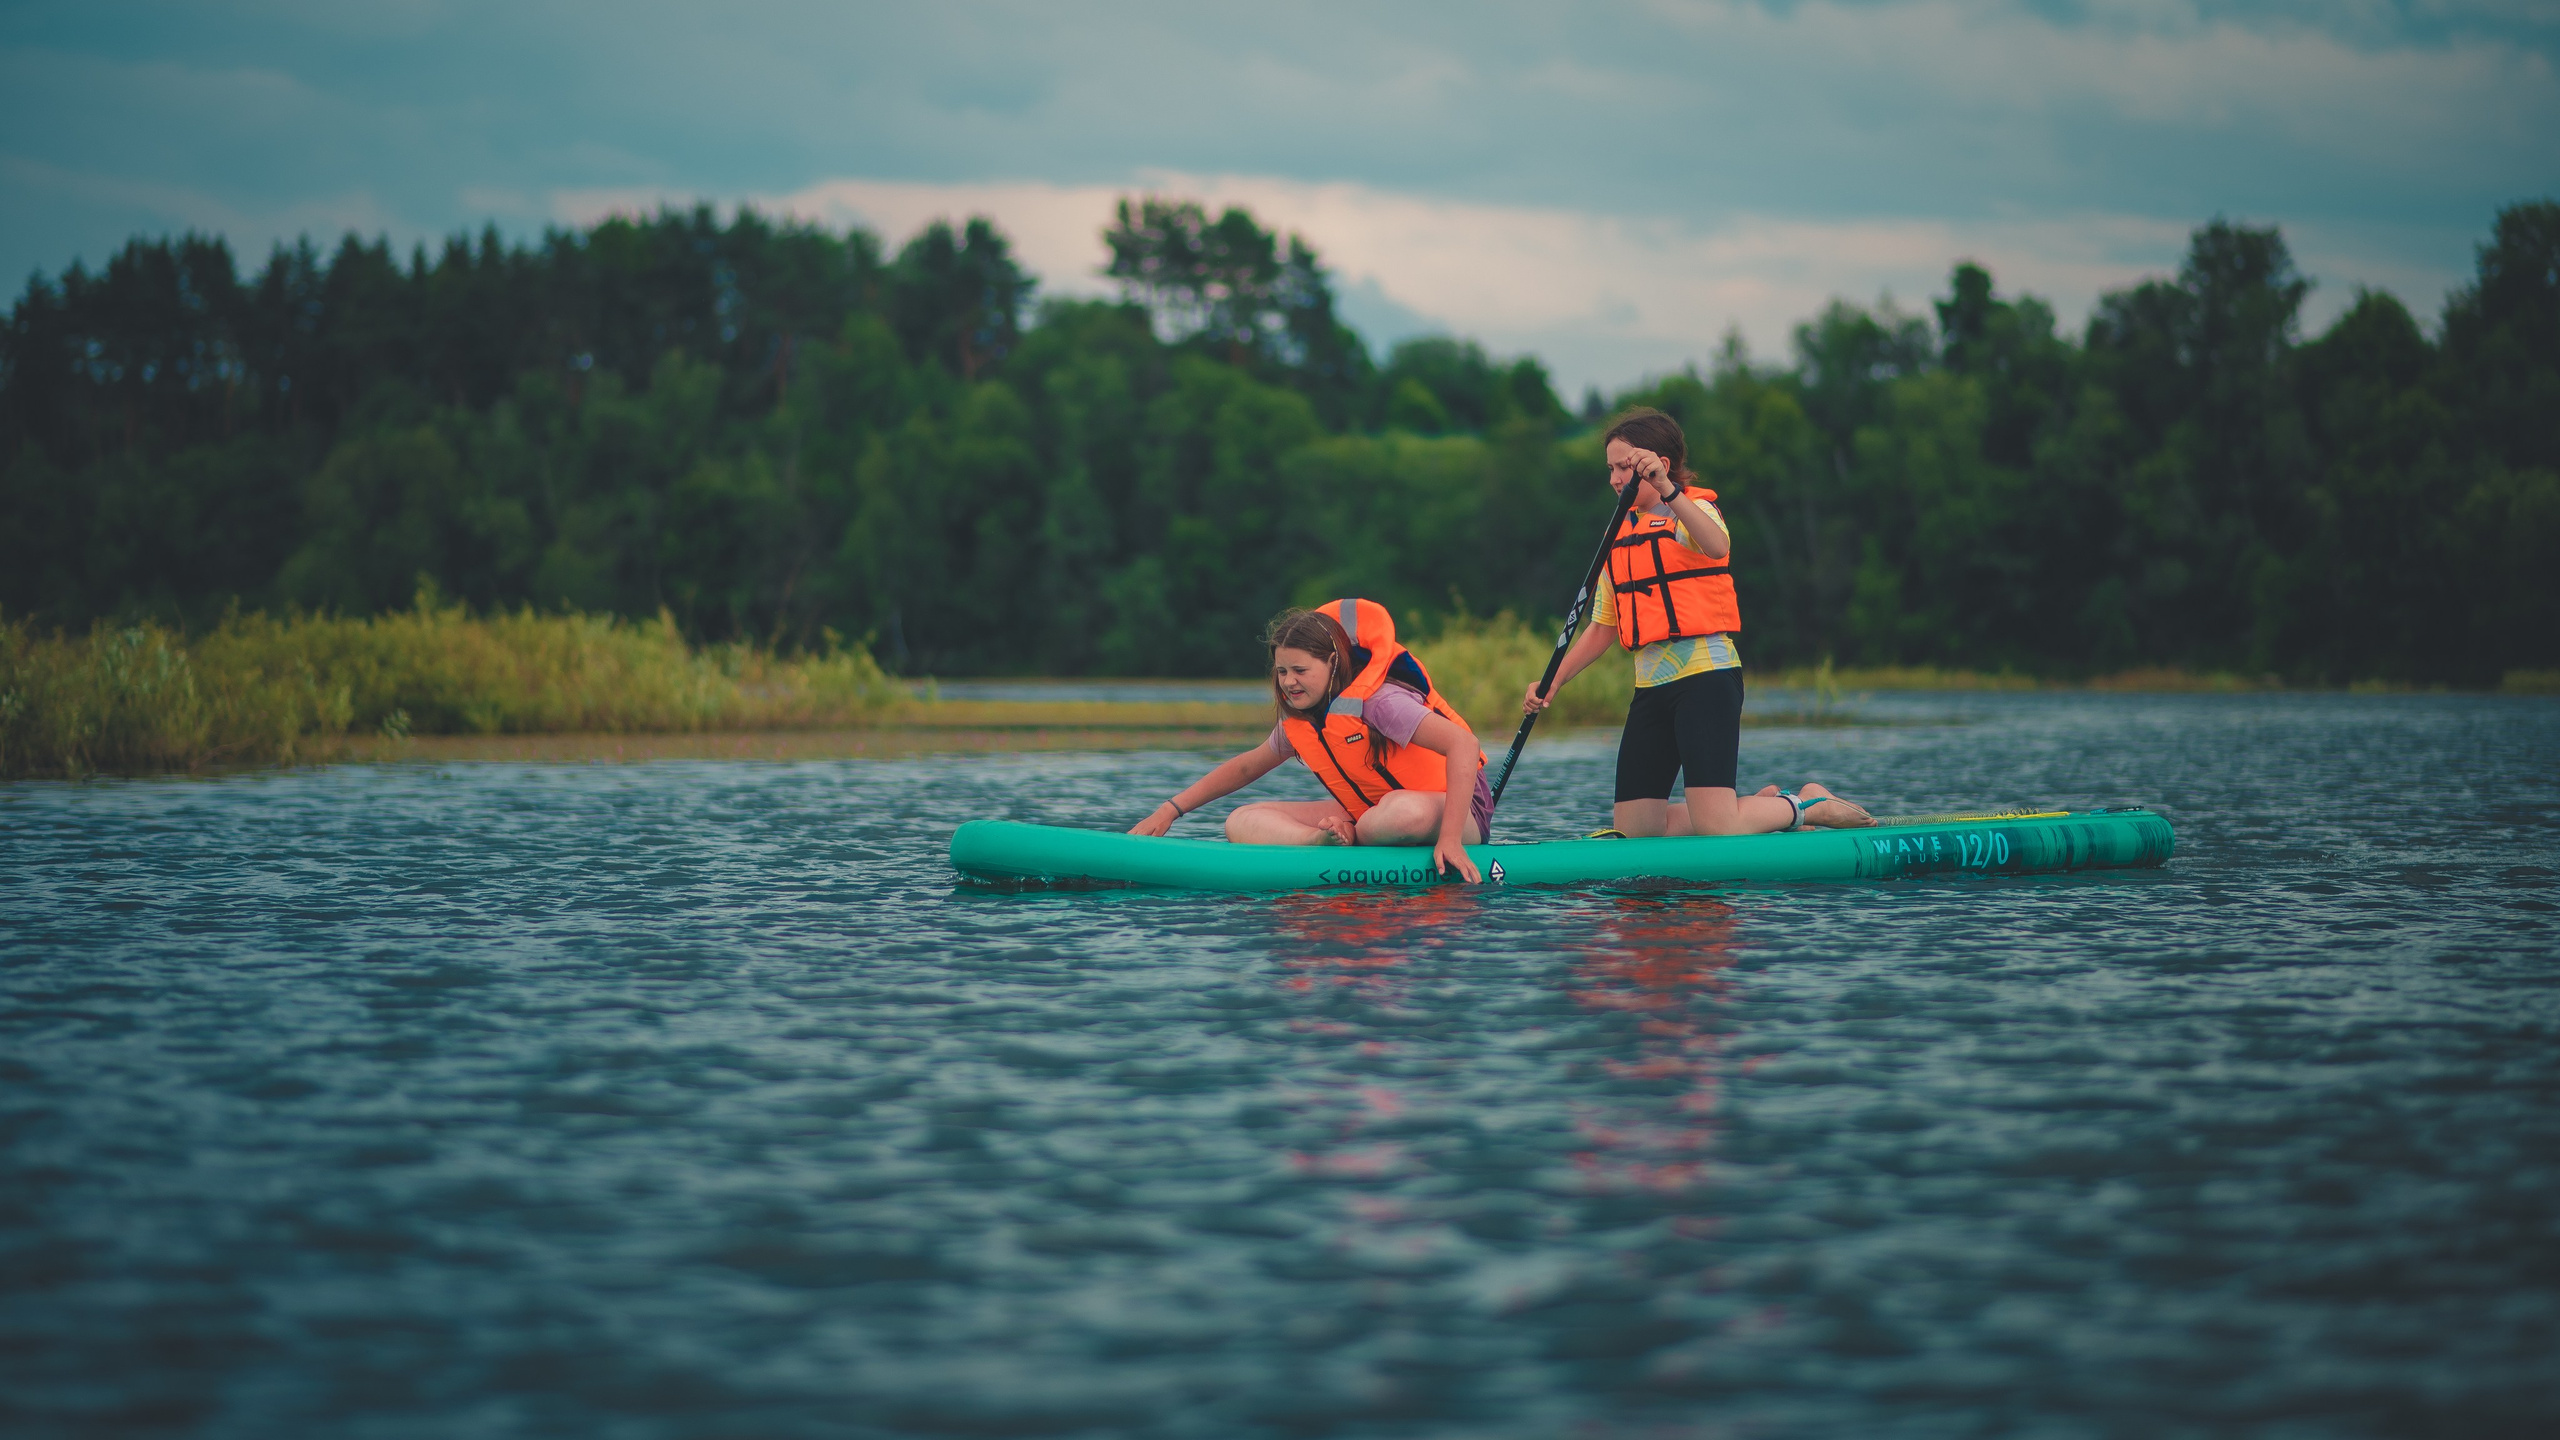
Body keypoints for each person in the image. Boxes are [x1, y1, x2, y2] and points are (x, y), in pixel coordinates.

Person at [1522, 406, 1872, 838]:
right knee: (1637, 831)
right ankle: (1759, 810)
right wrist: (1553, 681)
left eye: (1624, 467)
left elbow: (1718, 545)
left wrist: (1669, 491)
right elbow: (1601, 628)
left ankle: (1808, 805)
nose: (1614, 478)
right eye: (1610, 468)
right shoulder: (1620, 536)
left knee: (1716, 826)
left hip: (1706, 680)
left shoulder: (1693, 513)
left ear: (1659, 465)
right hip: (1650, 691)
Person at [1129, 599, 1491, 883]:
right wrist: (1170, 810)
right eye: (1282, 671)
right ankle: (1322, 842)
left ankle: (1355, 835)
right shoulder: (1302, 722)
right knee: (1241, 820)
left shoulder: (1381, 703)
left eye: (1300, 671)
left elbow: (1464, 744)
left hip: (1452, 814)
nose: (1289, 682)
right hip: (1369, 815)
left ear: (1333, 663)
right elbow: (1244, 767)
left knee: (1402, 811)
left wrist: (1449, 840)